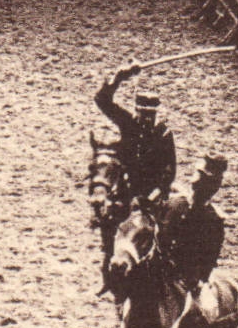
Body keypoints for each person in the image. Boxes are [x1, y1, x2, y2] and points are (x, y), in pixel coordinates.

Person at [95, 64, 176, 208]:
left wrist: (152, 196)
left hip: (151, 192)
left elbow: (169, 172)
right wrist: (119, 77)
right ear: (137, 111)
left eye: (151, 114)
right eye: (143, 114)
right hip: (126, 187)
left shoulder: (163, 134)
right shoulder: (129, 122)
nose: (147, 119)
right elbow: (102, 100)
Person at [158, 155, 228, 306]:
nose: (197, 183)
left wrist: (199, 281)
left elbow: (209, 259)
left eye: (207, 181)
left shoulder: (213, 219)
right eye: (198, 177)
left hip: (188, 280)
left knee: (204, 309)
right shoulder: (173, 205)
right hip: (159, 271)